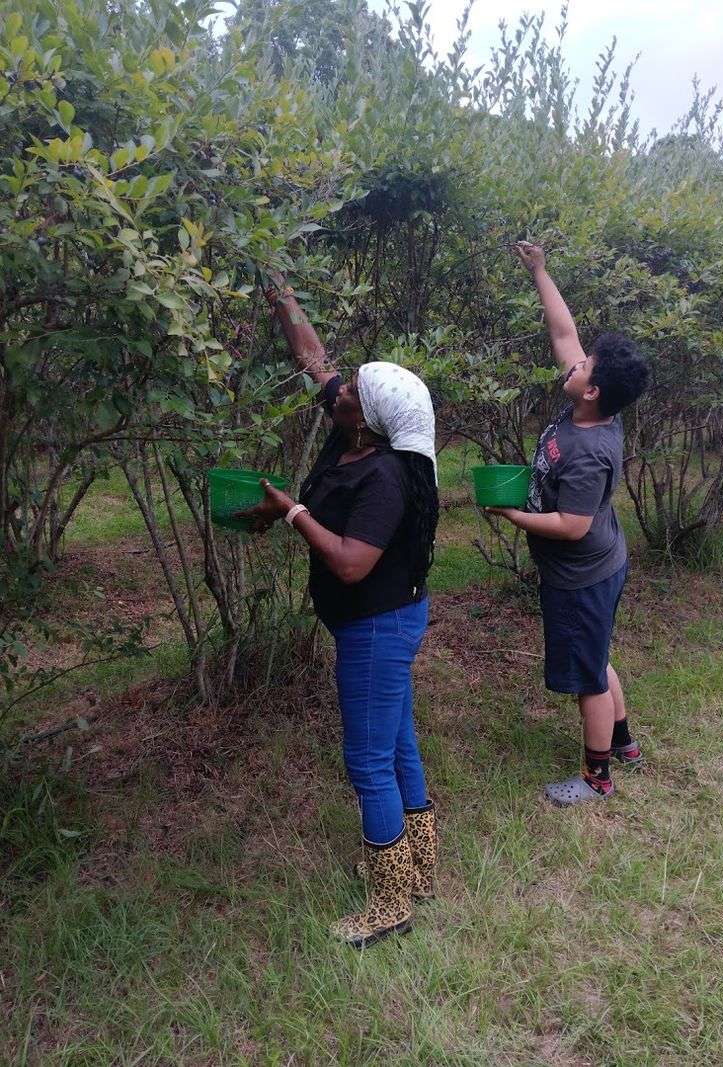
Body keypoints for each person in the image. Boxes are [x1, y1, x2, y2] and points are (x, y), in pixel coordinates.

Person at [237, 279, 440, 947]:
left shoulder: (384, 476)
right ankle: (419, 861)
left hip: (377, 625)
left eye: (350, 391)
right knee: (398, 739)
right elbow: (315, 359)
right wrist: (282, 298)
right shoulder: (354, 428)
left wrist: (290, 510)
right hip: (381, 619)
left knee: (369, 760)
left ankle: (390, 903)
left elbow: (352, 562)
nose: (337, 391)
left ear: (370, 418)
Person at [486, 242, 651, 806]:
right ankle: (624, 744)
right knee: (596, 655)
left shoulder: (588, 449)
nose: (573, 363)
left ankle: (596, 775)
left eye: (583, 367)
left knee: (586, 674)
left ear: (594, 389)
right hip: (598, 565)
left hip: (582, 573)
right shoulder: (590, 404)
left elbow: (573, 524)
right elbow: (564, 335)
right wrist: (540, 271)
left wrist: (517, 517)